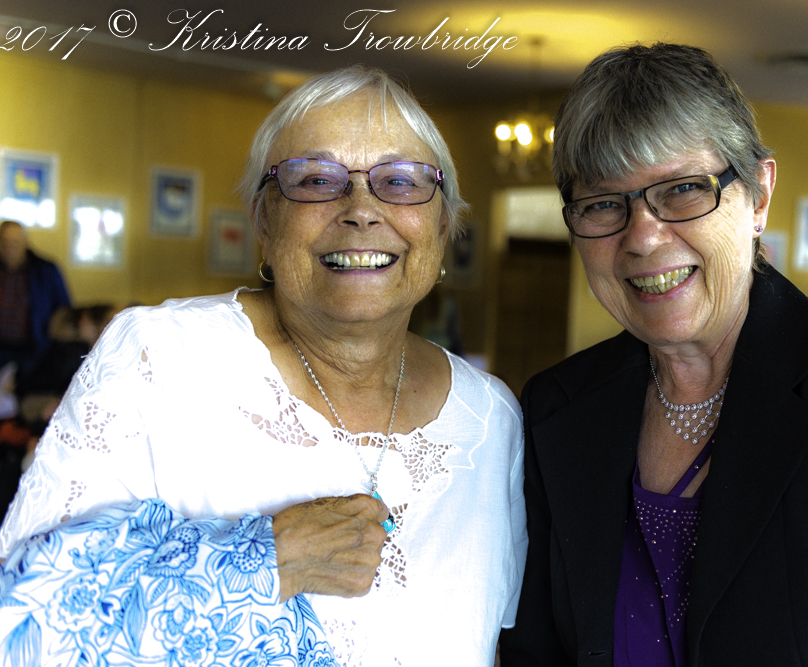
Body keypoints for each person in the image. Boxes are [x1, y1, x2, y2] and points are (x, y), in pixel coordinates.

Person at [0, 66, 527, 667]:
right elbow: (18, 624)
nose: (361, 210)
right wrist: (265, 559)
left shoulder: (492, 419)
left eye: (401, 182)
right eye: (316, 180)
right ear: (263, 222)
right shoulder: (158, 358)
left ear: (443, 225)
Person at [499, 43, 808, 666]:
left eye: (683, 189)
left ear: (758, 196)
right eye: (603, 203)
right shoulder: (558, 407)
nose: (643, 237)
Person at [0, 220, 71, 377]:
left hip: (34, 351)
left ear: (26, 243)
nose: (9, 248)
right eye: (4, 242)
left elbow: (64, 311)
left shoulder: (46, 270)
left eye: (15, 243)